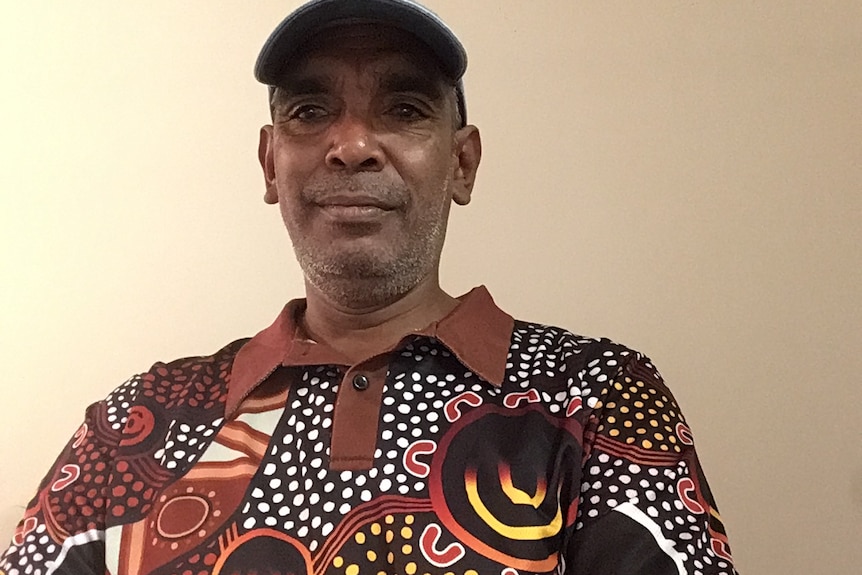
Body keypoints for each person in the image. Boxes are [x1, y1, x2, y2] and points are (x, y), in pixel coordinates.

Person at [0, 1, 737, 574]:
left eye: (405, 108)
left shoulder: (597, 402)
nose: (350, 145)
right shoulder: (134, 427)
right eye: (310, 110)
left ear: (462, 163)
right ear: (269, 163)